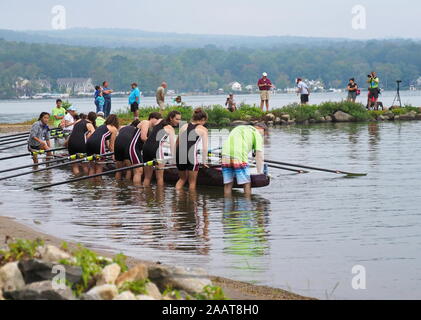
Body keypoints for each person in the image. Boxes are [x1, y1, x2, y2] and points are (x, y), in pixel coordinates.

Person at [221, 123, 267, 197]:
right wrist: (259, 172)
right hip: (239, 156)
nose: (262, 135)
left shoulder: (238, 127)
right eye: (263, 133)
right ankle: (246, 206)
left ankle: (227, 206)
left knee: (228, 184)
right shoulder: (256, 133)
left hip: (225, 154)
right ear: (261, 129)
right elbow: (259, 155)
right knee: (246, 183)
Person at [142, 110, 181, 187]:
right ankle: (160, 198)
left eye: (180, 119)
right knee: (159, 178)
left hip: (146, 148)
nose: (178, 121)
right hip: (156, 151)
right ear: (171, 118)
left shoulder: (159, 121)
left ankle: (145, 195)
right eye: (177, 119)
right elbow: (173, 147)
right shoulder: (170, 129)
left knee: (147, 177)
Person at [175, 108, 209, 191]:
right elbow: (205, 148)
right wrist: (204, 162)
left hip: (179, 155)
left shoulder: (183, 126)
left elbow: (177, 143)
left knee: (182, 179)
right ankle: (191, 203)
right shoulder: (203, 130)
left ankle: (177, 199)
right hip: (191, 157)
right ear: (203, 119)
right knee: (192, 183)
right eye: (205, 121)